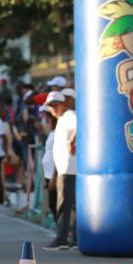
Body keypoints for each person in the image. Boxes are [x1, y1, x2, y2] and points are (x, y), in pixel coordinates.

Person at [45, 90, 77, 250]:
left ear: (63, 104)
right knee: (70, 206)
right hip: (65, 168)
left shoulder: (69, 115)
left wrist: (72, 142)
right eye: (50, 106)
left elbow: (79, 126)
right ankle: (73, 238)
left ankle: (62, 238)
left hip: (70, 167)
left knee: (64, 204)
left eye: (55, 105)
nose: (53, 108)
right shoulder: (62, 119)